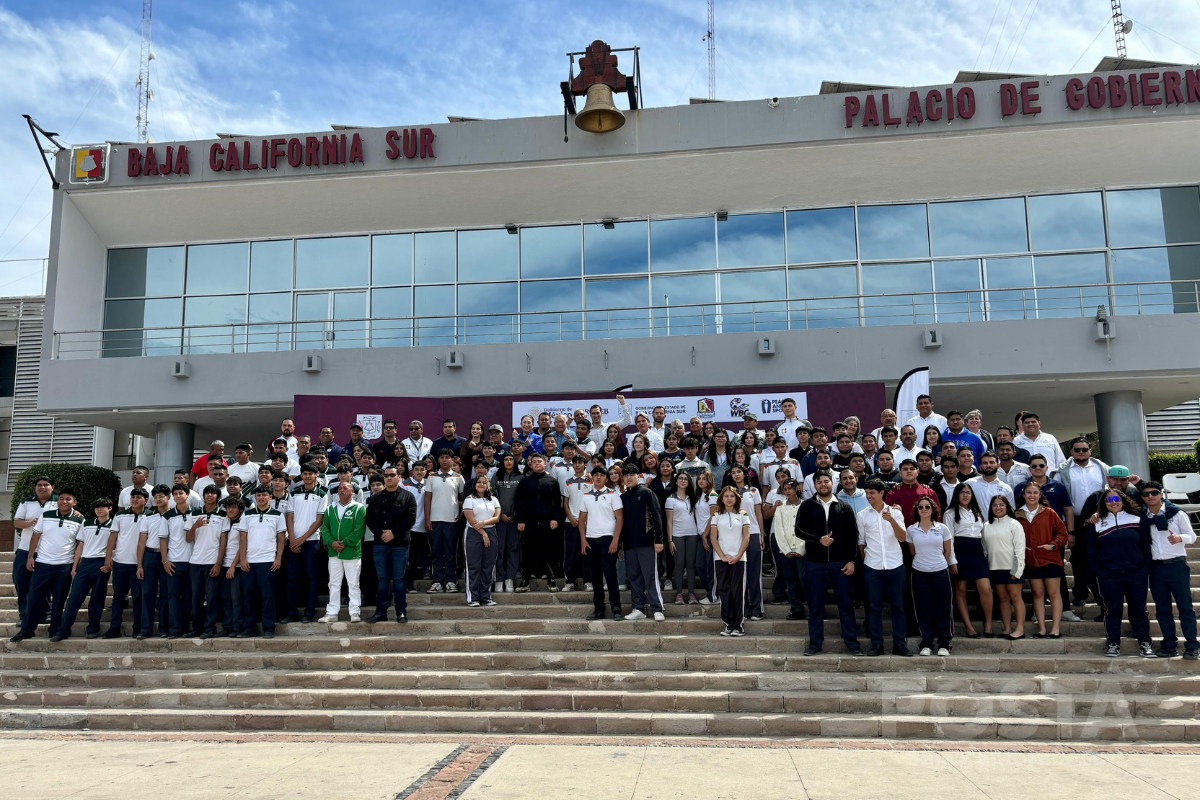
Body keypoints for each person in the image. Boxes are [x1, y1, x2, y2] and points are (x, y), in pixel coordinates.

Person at [797, 470, 862, 656]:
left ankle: (852, 644)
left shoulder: (843, 507)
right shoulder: (807, 506)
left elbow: (853, 536)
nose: (823, 484)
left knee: (846, 604)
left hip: (840, 563)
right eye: (819, 482)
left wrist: (852, 560)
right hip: (815, 563)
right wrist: (819, 539)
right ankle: (815, 644)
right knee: (816, 605)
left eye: (826, 481)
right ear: (815, 485)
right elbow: (799, 530)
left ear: (832, 483)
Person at [9, 490, 84, 643]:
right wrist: (30, 557)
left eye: (68, 499)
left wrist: (75, 565)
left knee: (58, 600)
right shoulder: (47, 515)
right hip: (42, 564)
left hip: (64, 566)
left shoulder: (80, 519)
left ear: (74, 503)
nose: (63, 501)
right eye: (61, 499)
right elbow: (35, 536)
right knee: (33, 598)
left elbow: (79, 543)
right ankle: (27, 630)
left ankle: (54, 630)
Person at [1090, 489, 1155, 658]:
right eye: (1108, 500)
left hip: (1136, 573)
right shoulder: (1097, 522)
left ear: (1123, 500)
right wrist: (1100, 571)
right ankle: (1112, 643)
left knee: (1138, 610)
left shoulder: (1137, 519)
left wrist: (1145, 568)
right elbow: (1092, 550)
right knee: (1112, 610)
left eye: (1116, 499)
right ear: (1103, 503)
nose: (1113, 502)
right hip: (1109, 575)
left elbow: (1146, 545)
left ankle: (1145, 643)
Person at [1140, 480, 1199, 659]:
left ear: (1161, 494)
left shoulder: (1177, 513)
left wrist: (1179, 538)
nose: (1150, 496)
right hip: (1156, 568)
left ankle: (1192, 646)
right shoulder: (1143, 517)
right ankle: (1169, 644)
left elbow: (1192, 536)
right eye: (1146, 494)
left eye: (1154, 492)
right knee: (1162, 608)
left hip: (1176, 565)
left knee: (1185, 607)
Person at [1054, 437, 1108, 611]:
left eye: (1084, 449)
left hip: (1102, 519)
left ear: (1090, 450)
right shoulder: (1062, 471)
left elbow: (1113, 491)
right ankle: (1080, 593)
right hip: (1076, 520)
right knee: (1078, 558)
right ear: (1071, 452)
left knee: (1101, 557)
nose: (1081, 452)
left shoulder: (1102, 468)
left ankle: (1104, 596)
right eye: (1077, 450)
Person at [857, 479, 909, 656]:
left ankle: (900, 644)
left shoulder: (895, 512)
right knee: (874, 607)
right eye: (867, 492)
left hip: (895, 564)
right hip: (873, 566)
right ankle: (876, 644)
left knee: (898, 607)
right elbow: (861, 543)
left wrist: (892, 520)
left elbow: (903, 538)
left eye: (872, 492)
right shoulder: (862, 515)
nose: (869, 496)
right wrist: (867, 562)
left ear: (881, 493)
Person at [54, 497, 114, 642]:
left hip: (101, 563)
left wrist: (109, 563)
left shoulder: (114, 525)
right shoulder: (86, 523)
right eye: (97, 507)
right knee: (74, 598)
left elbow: (115, 545)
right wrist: (75, 566)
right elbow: (80, 545)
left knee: (97, 599)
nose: (99, 509)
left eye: (103, 506)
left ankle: (93, 628)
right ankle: (63, 630)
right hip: (85, 563)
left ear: (109, 508)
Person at [233, 485, 288, 639]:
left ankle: (268, 628)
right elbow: (242, 538)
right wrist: (243, 559)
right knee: (249, 597)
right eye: (258, 495)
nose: (261, 497)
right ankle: (249, 628)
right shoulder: (247, 515)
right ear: (255, 498)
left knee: (268, 596)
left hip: (268, 561)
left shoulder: (278, 515)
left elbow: (281, 539)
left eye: (264, 495)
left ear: (270, 497)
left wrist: (278, 558)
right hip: (249, 562)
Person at [1015, 482, 1069, 639]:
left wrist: (1053, 545)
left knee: (1053, 593)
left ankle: (1056, 628)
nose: (1032, 496)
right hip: (1031, 561)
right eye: (1029, 493)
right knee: (1037, 594)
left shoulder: (1049, 512)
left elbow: (1062, 533)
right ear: (1024, 495)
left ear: (1040, 495)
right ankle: (1042, 629)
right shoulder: (1017, 515)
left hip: (1050, 559)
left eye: (1035, 493)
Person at [368, 466, 417, 623]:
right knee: (382, 579)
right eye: (386, 475)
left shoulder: (408, 496)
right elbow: (369, 519)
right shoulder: (376, 498)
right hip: (380, 543)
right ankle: (380, 612)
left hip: (400, 543)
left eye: (392, 475)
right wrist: (381, 533)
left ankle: (401, 612)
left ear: (399, 477)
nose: (388, 478)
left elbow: (410, 519)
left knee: (399, 579)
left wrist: (393, 533)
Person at [945, 483, 993, 638]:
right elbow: (948, 538)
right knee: (961, 590)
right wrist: (952, 560)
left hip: (977, 551)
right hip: (960, 550)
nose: (965, 495)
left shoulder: (977, 511)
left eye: (968, 492)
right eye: (962, 492)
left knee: (985, 588)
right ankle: (969, 627)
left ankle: (988, 624)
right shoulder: (950, 513)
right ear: (956, 495)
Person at [908, 496, 954, 656]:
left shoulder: (942, 528)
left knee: (943, 608)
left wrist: (938, 563)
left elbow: (947, 551)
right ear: (917, 510)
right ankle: (926, 644)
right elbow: (912, 552)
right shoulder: (911, 530)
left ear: (933, 509)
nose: (924, 510)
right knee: (923, 609)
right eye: (921, 507)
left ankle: (944, 644)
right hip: (919, 573)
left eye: (927, 507)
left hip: (940, 572)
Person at [619, 465, 666, 621]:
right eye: (625, 475)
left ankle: (657, 608)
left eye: (631, 474)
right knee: (633, 577)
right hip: (629, 544)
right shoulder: (623, 497)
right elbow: (620, 523)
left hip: (647, 542)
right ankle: (638, 608)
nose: (628, 478)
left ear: (638, 476)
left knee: (650, 576)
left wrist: (659, 540)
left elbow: (657, 516)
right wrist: (620, 544)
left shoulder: (647, 493)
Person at [317, 480, 366, 623]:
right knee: (333, 583)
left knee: (353, 583)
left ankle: (355, 612)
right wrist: (331, 542)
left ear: (353, 492)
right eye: (339, 488)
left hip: (351, 553)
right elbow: (325, 528)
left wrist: (344, 543)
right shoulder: (330, 508)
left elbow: (359, 530)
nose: (341, 490)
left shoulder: (359, 508)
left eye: (345, 488)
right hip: (334, 553)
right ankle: (332, 613)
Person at [285, 464, 328, 622]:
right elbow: (289, 516)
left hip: (311, 541)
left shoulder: (323, 493)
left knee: (311, 578)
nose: (307, 476)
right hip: (293, 542)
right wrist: (292, 538)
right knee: (291, 578)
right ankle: (291, 613)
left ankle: (310, 612)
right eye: (305, 473)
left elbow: (319, 520)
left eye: (310, 473)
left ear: (317, 474)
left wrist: (301, 539)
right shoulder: (294, 492)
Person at [580, 466, 624, 620]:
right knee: (595, 576)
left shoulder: (613, 494)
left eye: (601, 475)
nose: (598, 477)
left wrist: (615, 540)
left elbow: (619, 518)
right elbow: (581, 520)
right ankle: (599, 609)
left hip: (608, 538)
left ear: (606, 478)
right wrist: (583, 540)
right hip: (591, 539)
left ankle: (616, 608)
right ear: (592, 477)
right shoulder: (586, 495)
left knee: (610, 575)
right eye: (596, 475)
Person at [514, 453, 563, 591]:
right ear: (530, 464)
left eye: (539, 461)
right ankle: (525, 581)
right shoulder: (525, 482)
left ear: (545, 462)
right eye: (533, 461)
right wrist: (521, 520)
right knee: (528, 551)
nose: (536, 464)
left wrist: (554, 518)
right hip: (529, 522)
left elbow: (557, 502)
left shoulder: (552, 481)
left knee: (548, 551)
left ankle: (551, 580)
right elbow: (519, 502)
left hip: (547, 521)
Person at [12, 475, 57, 628]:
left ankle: (45, 613)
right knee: (21, 581)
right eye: (39, 485)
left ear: (52, 487)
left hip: (48, 551)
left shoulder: (59, 501)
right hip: (25, 549)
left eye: (46, 484)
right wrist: (30, 523)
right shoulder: (26, 502)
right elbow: (17, 522)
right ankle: (24, 615)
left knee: (44, 584)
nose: (42, 487)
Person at [186, 486, 229, 639]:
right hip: (195, 561)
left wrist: (218, 563)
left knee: (212, 597)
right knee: (196, 597)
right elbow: (188, 538)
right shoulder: (194, 513)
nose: (209, 496)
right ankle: (197, 627)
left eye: (213, 493)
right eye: (207, 493)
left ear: (217, 497)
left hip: (213, 561)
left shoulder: (223, 515)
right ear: (203, 496)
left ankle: (210, 628)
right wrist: (194, 526)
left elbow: (223, 541)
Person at [982, 495, 1026, 641]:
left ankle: (1020, 629)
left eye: (1001, 505)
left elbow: (1020, 549)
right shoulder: (986, 526)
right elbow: (985, 549)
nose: (998, 508)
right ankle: (1007, 628)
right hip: (995, 568)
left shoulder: (1014, 524)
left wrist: (1017, 569)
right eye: (995, 505)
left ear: (1007, 507)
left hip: (1011, 567)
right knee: (1003, 598)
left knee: (1015, 597)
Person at [105, 487, 147, 638]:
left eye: (138, 497)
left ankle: (137, 628)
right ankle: (114, 627)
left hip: (139, 564)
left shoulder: (150, 516)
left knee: (138, 598)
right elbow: (113, 537)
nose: (135, 500)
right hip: (120, 562)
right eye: (133, 497)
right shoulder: (120, 515)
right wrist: (108, 557)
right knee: (118, 597)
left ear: (146, 500)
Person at [710, 485, 751, 636]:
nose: (729, 499)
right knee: (724, 590)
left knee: (737, 591)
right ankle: (728, 624)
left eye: (732, 496)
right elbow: (713, 538)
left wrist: (738, 555)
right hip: (721, 559)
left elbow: (746, 537)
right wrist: (722, 556)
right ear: (721, 498)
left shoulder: (743, 514)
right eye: (726, 496)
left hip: (739, 559)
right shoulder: (716, 515)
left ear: (736, 498)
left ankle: (738, 625)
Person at [425, 449, 465, 593]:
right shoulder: (431, 476)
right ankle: (437, 582)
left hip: (452, 521)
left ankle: (450, 581)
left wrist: (461, 512)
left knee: (451, 552)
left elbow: (464, 498)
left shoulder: (458, 477)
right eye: (441, 457)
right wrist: (427, 519)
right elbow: (427, 499)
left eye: (447, 457)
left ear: (452, 460)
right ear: (438, 460)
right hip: (435, 520)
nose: (444, 460)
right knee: (435, 551)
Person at [768, 478, 807, 621]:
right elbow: (778, 530)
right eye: (785, 489)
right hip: (786, 550)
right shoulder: (780, 507)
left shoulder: (806, 506)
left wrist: (801, 548)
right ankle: (796, 608)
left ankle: (812, 606)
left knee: (804, 578)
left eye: (790, 488)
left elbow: (808, 529)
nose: (787, 491)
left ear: (797, 488)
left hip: (802, 550)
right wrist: (785, 549)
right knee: (790, 579)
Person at [461, 474, 502, 607]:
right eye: (479, 482)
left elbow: (496, 518)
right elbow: (471, 520)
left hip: (491, 531)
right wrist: (483, 533)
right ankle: (472, 597)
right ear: (474, 484)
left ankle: (485, 596)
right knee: (473, 566)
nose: (482, 484)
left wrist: (484, 523)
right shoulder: (469, 499)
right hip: (474, 533)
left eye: (484, 482)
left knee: (488, 566)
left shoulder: (493, 499)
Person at [665, 472, 701, 604]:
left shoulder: (693, 498)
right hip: (677, 535)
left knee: (691, 565)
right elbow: (669, 521)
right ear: (676, 481)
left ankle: (691, 594)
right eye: (680, 478)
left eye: (686, 479)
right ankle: (679, 594)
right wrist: (670, 540)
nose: (683, 481)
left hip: (692, 534)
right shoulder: (671, 498)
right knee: (679, 564)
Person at [490, 454, 523, 593]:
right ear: (502, 462)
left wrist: (515, 514)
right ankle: (499, 579)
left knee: (513, 548)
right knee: (499, 548)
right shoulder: (496, 476)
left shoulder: (520, 477)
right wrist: (501, 513)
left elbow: (523, 498)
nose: (508, 462)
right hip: (499, 518)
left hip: (514, 519)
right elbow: (492, 496)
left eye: (511, 459)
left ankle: (510, 578)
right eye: (506, 459)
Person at [218, 497, 246, 638]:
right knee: (225, 599)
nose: (230, 510)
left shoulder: (243, 521)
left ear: (240, 509)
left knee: (236, 599)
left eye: (233, 507)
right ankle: (227, 626)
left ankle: (238, 627)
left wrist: (233, 566)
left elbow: (242, 546)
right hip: (224, 565)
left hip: (236, 566)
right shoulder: (225, 521)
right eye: (228, 507)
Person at [694, 470, 719, 605]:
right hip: (700, 535)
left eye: (704, 478)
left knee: (710, 566)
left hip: (709, 535)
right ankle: (710, 591)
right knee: (700, 565)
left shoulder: (713, 495)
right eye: (699, 479)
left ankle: (713, 595)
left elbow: (713, 516)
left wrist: (705, 534)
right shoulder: (700, 495)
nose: (701, 481)